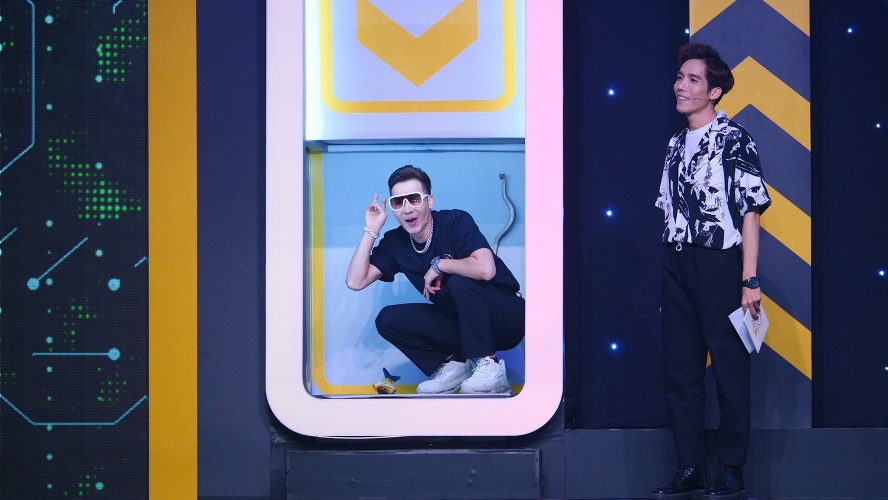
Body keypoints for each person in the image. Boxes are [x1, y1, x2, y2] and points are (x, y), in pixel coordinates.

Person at [651, 42, 771, 500]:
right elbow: (670, 213)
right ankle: (690, 468)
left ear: (714, 91)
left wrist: (749, 280)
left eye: (693, 79)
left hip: (720, 265)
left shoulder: (734, 139)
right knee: (680, 373)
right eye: (679, 77)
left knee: (729, 373)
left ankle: (731, 471)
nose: (680, 86)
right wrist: (670, 282)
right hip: (677, 263)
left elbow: (750, 212)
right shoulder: (674, 143)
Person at [346, 165, 525, 394]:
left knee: (459, 281)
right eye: (398, 202)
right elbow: (355, 281)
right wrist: (371, 230)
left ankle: (489, 367)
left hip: (506, 318)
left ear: (429, 201)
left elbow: (485, 269)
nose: (407, 209)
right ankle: (455, 367)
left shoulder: (455, 221)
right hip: (463, 325)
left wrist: (440, 264)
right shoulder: (395, 242)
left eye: (414, 199)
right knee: (388, 319)